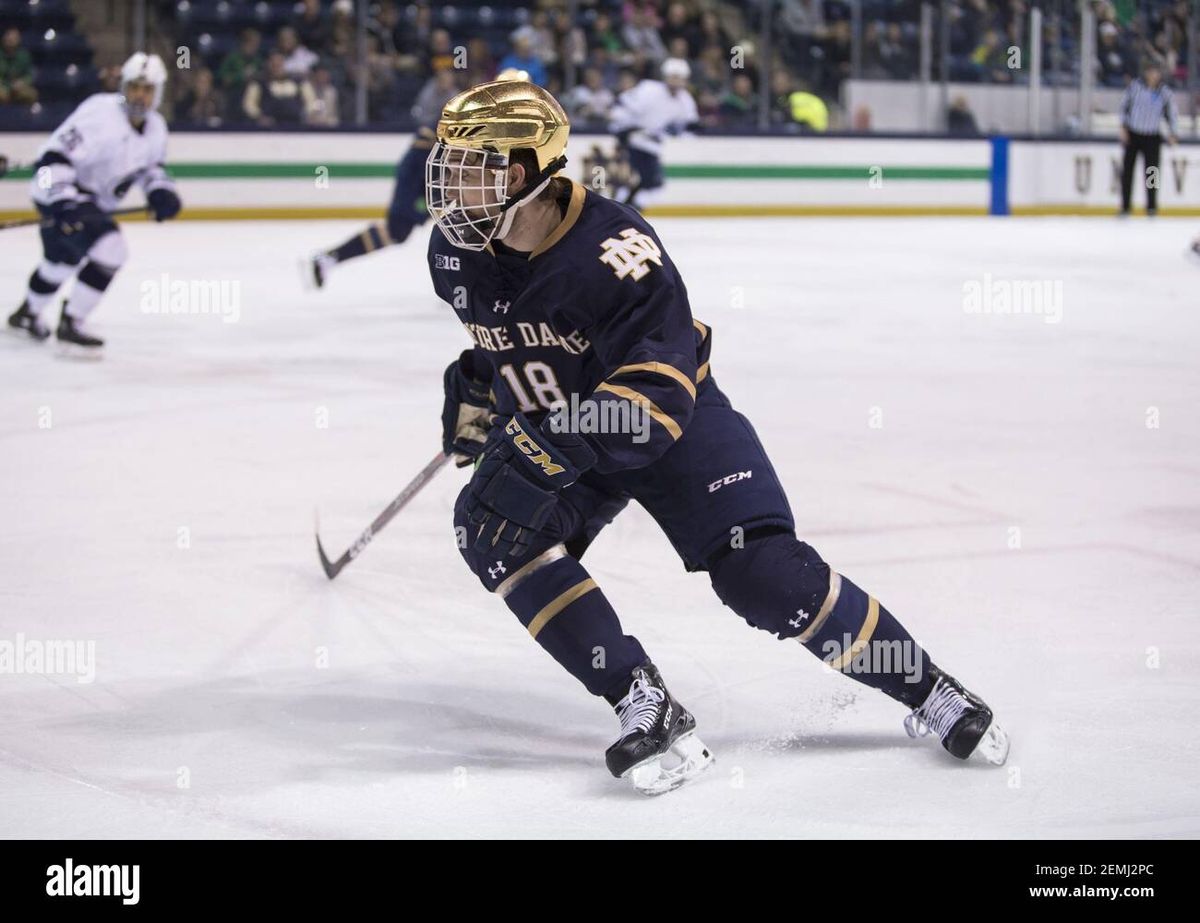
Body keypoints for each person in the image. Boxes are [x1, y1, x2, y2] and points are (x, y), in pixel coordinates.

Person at [424, 79, 1010, 794]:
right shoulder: (456, 253)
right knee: (490, 527)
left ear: (521, 172)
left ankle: (929, 689)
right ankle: (643, 699)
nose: (451, 186)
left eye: (468, 166)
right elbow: (504, 340)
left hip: (668, 428)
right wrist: (479, 397)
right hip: (570, 433)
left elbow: (659, 396)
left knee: (764, 577)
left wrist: (552, 438)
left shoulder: (615, 251)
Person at [7, 53, 181, 352]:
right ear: (123, 87)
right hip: (59, 190)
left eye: (148, 89)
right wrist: (62, 202)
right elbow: (52, 158)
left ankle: (27, 314)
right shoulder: (99, 113)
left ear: (158, 93)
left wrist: (160, 192)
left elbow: (152, 169)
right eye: (135, 86)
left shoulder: (156, 128)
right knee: (112, 249)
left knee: (61, 262)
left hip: (90, 203)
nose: (140, 95)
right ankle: (72, 321)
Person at [608, 57, 699, 210]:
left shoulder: (685, 99)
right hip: (632, 139)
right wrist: (623, 128)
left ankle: (628, 209)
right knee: (637, 180)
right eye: (673, 77)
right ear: (665, 76)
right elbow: (622, 106)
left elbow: (691, 124)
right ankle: (624, 209)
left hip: (651, 144)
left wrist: (678, 131)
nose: (676, 82)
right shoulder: (649, 89)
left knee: (650, 183)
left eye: (679, 78)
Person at [1118, 62, 1180, 217]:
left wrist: (1173, 133)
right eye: (1151, 71)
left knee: (1152, 173)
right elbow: (1124, 107)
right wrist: (1123, 127)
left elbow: (1171, 113)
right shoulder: (1135, 87)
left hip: (1152, 136)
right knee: (1128, 172)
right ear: (1146, 73)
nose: (1154, 75)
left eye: (1156, 72)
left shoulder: (1164, 92)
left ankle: (1151, 206)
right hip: (1134, 134)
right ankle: (1125, 206)